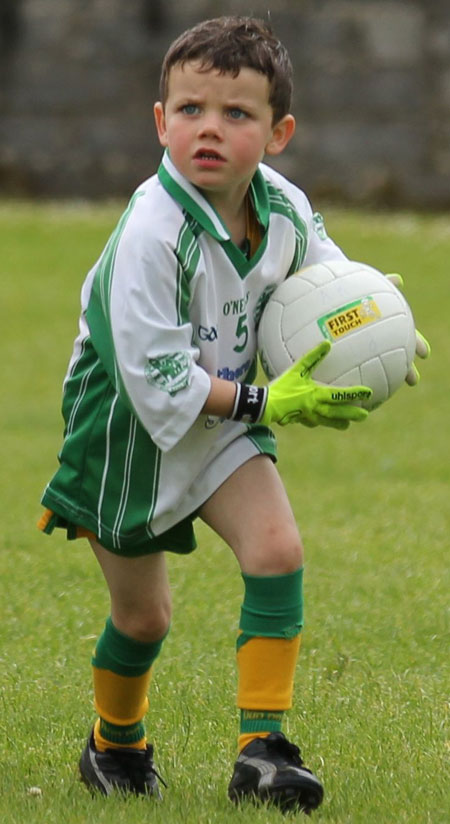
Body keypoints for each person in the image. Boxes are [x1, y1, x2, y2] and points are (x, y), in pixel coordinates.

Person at [38, 15, 429, 814]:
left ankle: (263, 751)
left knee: (278, 550)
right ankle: (114, 746)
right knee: (144, 620)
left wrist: (380, 320)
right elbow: (157, 381)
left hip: (224, 414)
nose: (209, 130)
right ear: (160, 122)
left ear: (279, 132)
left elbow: (330, 284)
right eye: (189, 111)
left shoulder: (281, 206)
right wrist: (264, 399)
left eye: (237, 115)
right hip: (124, 433)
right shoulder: (152, 232)